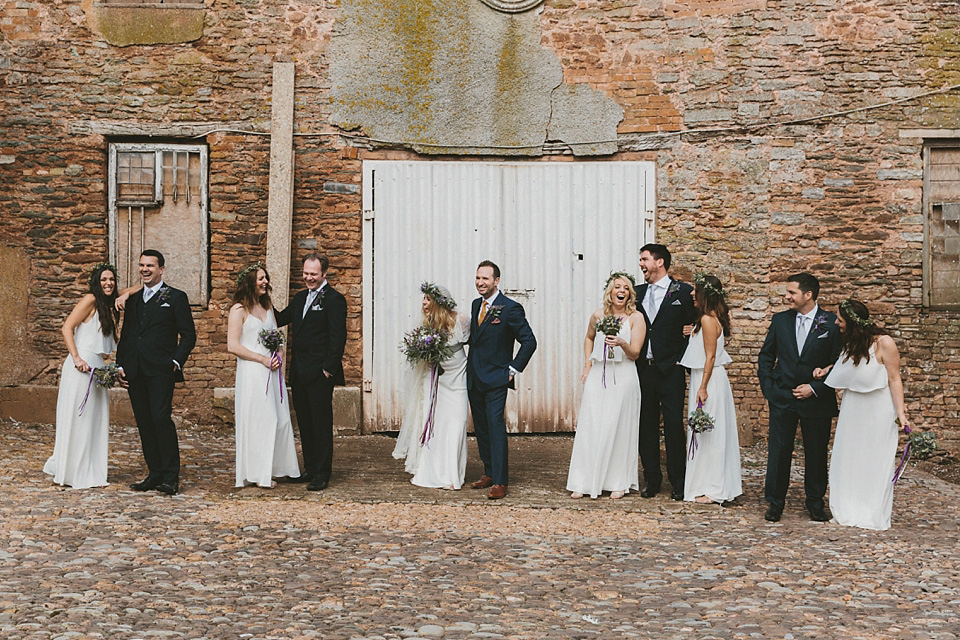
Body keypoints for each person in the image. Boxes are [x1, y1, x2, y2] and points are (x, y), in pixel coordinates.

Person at [813, 299, 909, 531]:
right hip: (853, 407)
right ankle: (848, 507)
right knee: (849, 457)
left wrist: (901, 413)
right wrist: (826, 370)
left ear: (853, 322)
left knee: (874, 459)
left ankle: (870, 510)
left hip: (878, 409)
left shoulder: (884, 342)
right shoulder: (852, 343)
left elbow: (894, 378)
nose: (837, 323)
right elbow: (848, 366)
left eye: (840, 319)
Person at [757, 272, 840, 522]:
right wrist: (770, 389)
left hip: (817, 400)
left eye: (791, 292)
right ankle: (774, 502)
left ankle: (815, 502)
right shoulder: (780, 321)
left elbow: (840, 362)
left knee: (816, 452)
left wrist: (815, 388)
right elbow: (766, 356)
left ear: (808, 295)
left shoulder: (831, 323)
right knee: (779, 451)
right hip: (782, 397)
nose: (787, 296)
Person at [116, 250, 197, 496]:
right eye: (141, 265)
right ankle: (154, 473)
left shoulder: (175, 297)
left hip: (161, 370)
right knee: (144, 422)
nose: (145, 269)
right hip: (135, 370)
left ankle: (171, 476)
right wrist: (120, 365)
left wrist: (176, 360)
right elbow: (128, 335)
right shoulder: (133, 299)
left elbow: (189, 335)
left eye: (150, 265)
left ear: (161, 269)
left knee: (161, 418)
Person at [566, 272, 644, 499]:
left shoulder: (636, 318)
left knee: (618, 427)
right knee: (592, 425)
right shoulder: (598, 315)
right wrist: (587, 363)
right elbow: (589, 338)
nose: (621, 291)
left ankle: (618, 481)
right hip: (599, 373)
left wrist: (621, 342)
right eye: (617, 287)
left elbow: (636, 353)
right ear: (610, 291)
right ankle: (584, 481)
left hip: (624, 376)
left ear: (630, 294)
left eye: (626, 288)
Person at [43, 264, 123, 488]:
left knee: (94, 419)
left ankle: (90, 467)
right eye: (103, 280)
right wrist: (76, 357)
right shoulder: (90, 300)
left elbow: (133, 290)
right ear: (95, 283)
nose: (108, 283)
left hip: (97, 365)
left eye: (112, 280)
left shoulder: (108, 303)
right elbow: (67, 327)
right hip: (81, 366)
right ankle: (74, 470)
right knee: (80, 416)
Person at [275, 253, 348, 492]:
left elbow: (338, 338)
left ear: (324, 274)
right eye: (305, 273)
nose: (308, 278)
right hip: (299, 372)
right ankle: (310, 467)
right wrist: (259, 298)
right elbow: (279, 318)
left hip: (319, 373)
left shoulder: (334, 300)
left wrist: (328, 369)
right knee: (305, 422)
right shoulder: (299, 299)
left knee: (320, 422)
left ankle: (323, 473)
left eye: (313, 274)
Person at [466, 260, 537, 500]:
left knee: (495, 426)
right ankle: (488, 472)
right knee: (481, 427)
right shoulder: (477, 305)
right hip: (474, 377)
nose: (480, 282)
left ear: (497, 281)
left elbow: (529, 341)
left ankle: (500, 480)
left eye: (485, 278)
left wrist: (513, 369)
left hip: (497, 378)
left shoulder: (510, 308)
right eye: (478, 278)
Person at [227, 262, 301, 488]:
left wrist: (278, 354)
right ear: (249, 282)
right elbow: (233, 346)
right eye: (261, 278)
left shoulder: (268, 308)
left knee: (280, 420)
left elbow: (276, 338)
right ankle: (259, 474)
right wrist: (261, 359)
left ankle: (276, 467)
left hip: (273, 371)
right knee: (260, 420)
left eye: (265, 278)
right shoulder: (239, 310)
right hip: (253, 372)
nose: (265, 282)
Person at [393, 283, 470, 489]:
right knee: (436, 425)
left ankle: (453, 475)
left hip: (457, 378)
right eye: (424, 299)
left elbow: (477, 345)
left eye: (428, 299)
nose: (424, 303)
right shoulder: (428, 324)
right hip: (434, 379)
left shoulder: (461, 320)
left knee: (457, 422)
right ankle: (432, 472)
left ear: (439, 301)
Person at [636, 244, 697, 500]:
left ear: (660, 262)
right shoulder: (636, 293)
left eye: (644, 259)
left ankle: (679, 481)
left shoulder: (682, 292)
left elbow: (701, 319)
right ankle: (652, 478)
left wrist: (692, 331)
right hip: (642, 369)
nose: (641, 264)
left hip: (671, 370)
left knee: (673, 426)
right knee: (646, 426)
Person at [679, 274, 742, 504]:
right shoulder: (709, 319)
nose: (692, 294)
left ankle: (713, 488)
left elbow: (711, 355)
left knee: (710, 434)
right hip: (707, 377)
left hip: (709, 379)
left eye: (696, 290)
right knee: (705, 434)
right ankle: (707, 483)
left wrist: (703, 387)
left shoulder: (707, 319)